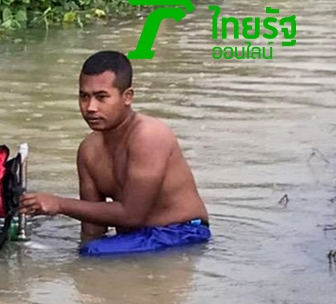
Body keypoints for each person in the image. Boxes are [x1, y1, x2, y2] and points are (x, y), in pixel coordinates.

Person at [20, 50, 210, 257]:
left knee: (94, 252)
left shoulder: (149, 136)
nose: (90, 107)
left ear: (127, 97)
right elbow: (93, 228)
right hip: (136, 238)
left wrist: (59, 204)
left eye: (101, 97)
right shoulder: (88, 149)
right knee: (85, 250)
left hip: (184, 232)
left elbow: (132, 215)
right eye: (84, 97)